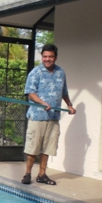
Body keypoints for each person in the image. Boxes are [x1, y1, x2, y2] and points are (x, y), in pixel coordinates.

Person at [22, 44, 76, 185]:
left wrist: (69, 105)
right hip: (37, 116)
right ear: (42, 57)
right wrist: (42, 103)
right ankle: (27, 174)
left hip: (53, 117)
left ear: (55, 57)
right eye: (45, 56)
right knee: (33, 147)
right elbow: (30, 93)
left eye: (50, 56)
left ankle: (42, 175)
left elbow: (64, 92)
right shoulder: (36, 72)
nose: (47, 59)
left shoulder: (61, 72)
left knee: (47, 148)